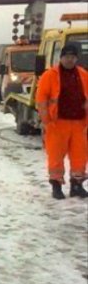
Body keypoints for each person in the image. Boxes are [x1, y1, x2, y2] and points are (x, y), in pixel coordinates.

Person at [35, 42, 88, 199]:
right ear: (61, 58)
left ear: (76, 58)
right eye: (67, 57)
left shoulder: (84, 75)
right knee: (56, 156)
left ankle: (77, 185)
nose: (70, 60)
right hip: (57, 123)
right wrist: (46, 121)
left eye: (73, 57)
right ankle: (56, 186)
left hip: (79, 123)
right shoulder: (49, 75)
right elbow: (41, 99)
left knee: (80, 156)